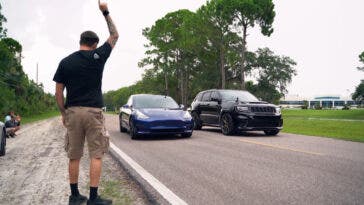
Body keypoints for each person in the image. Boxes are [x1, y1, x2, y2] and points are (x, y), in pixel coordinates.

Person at [53, 1, 118, 205]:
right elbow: (115, 35)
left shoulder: (66, 61)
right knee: (96, 155)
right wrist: (105, 11)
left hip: (72, 112)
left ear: (80, 41)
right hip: (93, 112)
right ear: (94, 44)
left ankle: (74, 196)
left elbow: (58, 92)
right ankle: (93, 198)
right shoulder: (97, 57)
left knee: (74, 155)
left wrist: (64, 114)